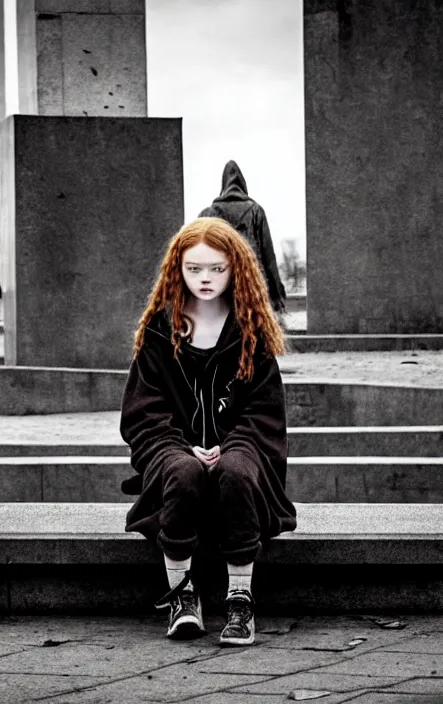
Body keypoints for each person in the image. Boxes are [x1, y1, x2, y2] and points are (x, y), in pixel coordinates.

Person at [120, 217, 296, 646]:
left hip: (244, 453)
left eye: (217, 269)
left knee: (235, 471)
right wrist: (182, 448)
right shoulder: (161, 332)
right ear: (177, 269)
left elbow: (264, 414)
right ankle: (183, 596)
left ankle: (240, 600)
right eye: (194, 268)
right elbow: (143, 412)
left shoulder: (250, 333)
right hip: (171, 451)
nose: (205, 278)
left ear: (235, 269)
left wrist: (231, 447)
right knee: (183, 472)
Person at [199, 161, 286, 313]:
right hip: (251, 283)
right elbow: (268, 255)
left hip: (218, 285)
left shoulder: (207, 214)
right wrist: (276, 293)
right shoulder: (256, 211)